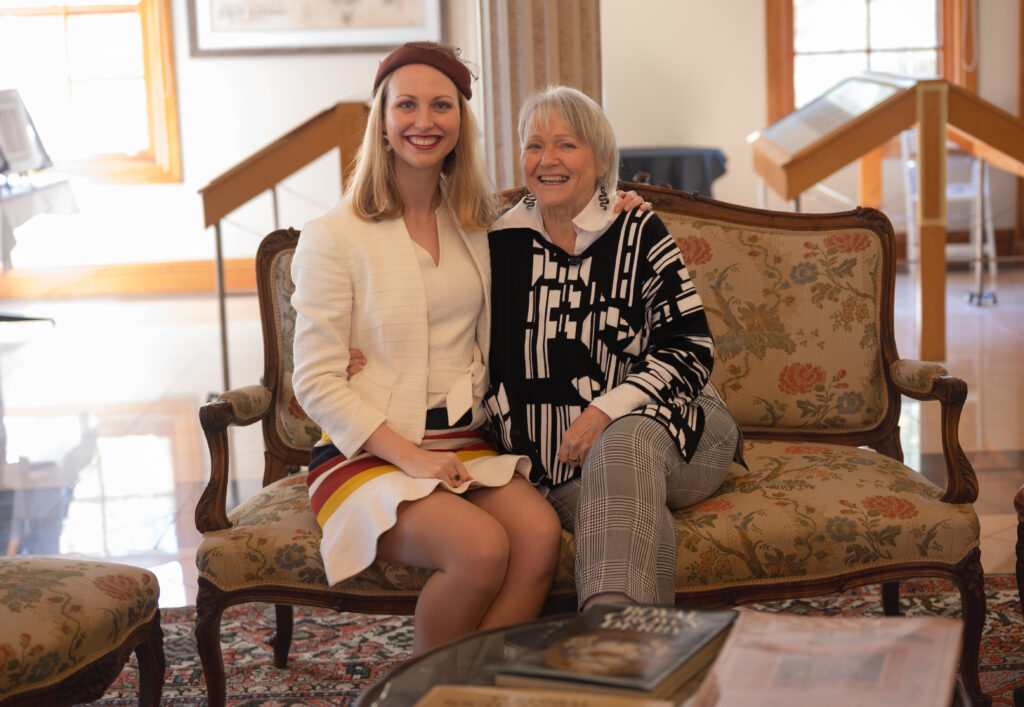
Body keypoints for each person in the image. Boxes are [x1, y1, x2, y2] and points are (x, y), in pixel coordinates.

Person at [290, 41, 564, 654]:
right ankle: (425, 691)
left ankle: (477, 693)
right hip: (372, 449)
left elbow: (574, 221)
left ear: (460, 122)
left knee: (540, 537)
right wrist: (408, 456)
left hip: (463, 439)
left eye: (442, 105)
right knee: (482, 549)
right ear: (382, 121)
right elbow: (313, 380)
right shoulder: (333, 236)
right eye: (406, 105)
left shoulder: (477, 223)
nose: (424, 121)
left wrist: (621, 207)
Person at [484, 85, 744, 611]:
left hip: (679, 428)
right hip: (554, 468)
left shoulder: (636, 228)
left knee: (621, 448)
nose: (547, 160)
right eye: (534, 145)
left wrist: (605, 410)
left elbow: (689, 348)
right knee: (626, 515)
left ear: (600, 159)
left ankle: (608, 650)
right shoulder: (499, 242)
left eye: (566, 145)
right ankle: (636, 660)